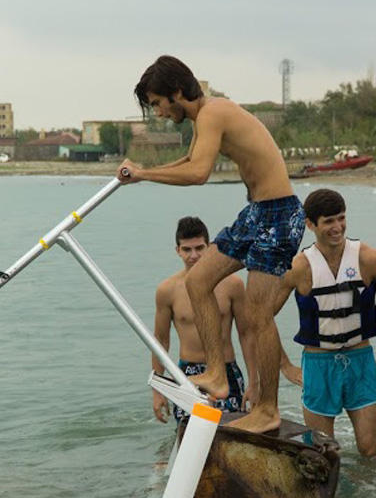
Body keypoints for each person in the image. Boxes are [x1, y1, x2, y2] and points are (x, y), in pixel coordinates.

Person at [117, 55, 304, 433]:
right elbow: (189, 158)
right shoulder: (207, 116)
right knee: (198, 281)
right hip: (256, 213)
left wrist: (145, 174)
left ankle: (267, 409)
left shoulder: (213, 112)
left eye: (157, 103)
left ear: (175, 93)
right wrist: (140, 174)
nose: (158, 112)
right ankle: (217, 374)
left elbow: (199, 173)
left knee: (258, 315)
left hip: (278, 215)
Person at [276, 189, 376, 457]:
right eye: (328, 221)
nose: (337, 227)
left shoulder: (369, 259)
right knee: (322, 454)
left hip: (360, 360)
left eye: (341, 219)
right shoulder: (298, 267)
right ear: (310, 224)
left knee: (370, 450)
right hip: (318, 365)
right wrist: (284, 365)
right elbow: (261, 317)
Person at [152, 216, 252, 424]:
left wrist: (255, 382)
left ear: (209, 247)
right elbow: (161, 341)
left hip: (227, 371)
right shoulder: (167, 290)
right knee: (189, 433)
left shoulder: (232, 284)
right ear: (177, 250)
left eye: (199, 248)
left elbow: (247, 334)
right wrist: (158, 390)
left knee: (232, 432)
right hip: (189, 372)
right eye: (187, 250)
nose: (194, 255)